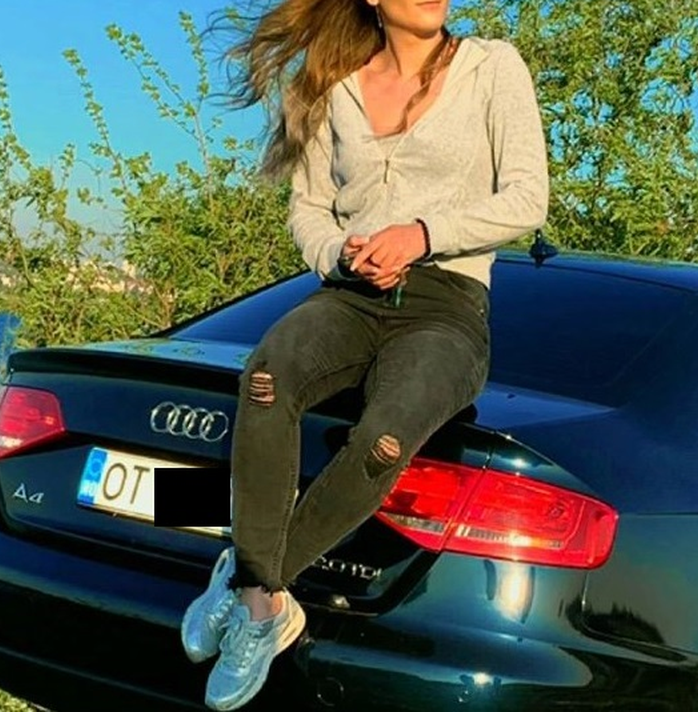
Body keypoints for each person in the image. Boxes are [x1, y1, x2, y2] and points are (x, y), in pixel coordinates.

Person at [180, 0, 549, 709]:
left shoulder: (492, 67)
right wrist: (336, 253)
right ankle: (264, 604)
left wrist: (422, 233)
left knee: (383, 437)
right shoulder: (330, 86)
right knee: (266, 378)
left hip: (446, 306)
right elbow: (309, 208)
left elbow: (528, 198)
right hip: (349, 297)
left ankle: (252, 580)